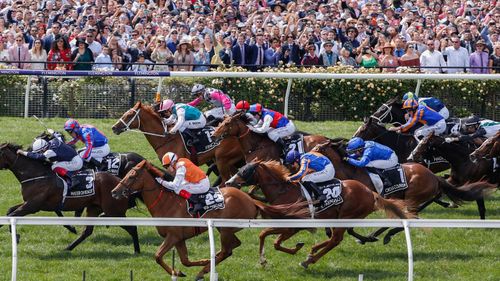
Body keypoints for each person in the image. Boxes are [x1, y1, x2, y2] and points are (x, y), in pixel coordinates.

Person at [16, 136, 83, 187]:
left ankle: (73, 179)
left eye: (40, 151)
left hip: (76, 163)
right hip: (75, 159)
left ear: (44, 148)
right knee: (55, 163)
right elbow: (59, 137)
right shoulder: (53, 141)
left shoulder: (50, 151)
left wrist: (23, 152)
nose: (40, 153)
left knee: (54, 167)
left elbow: (39, 157)